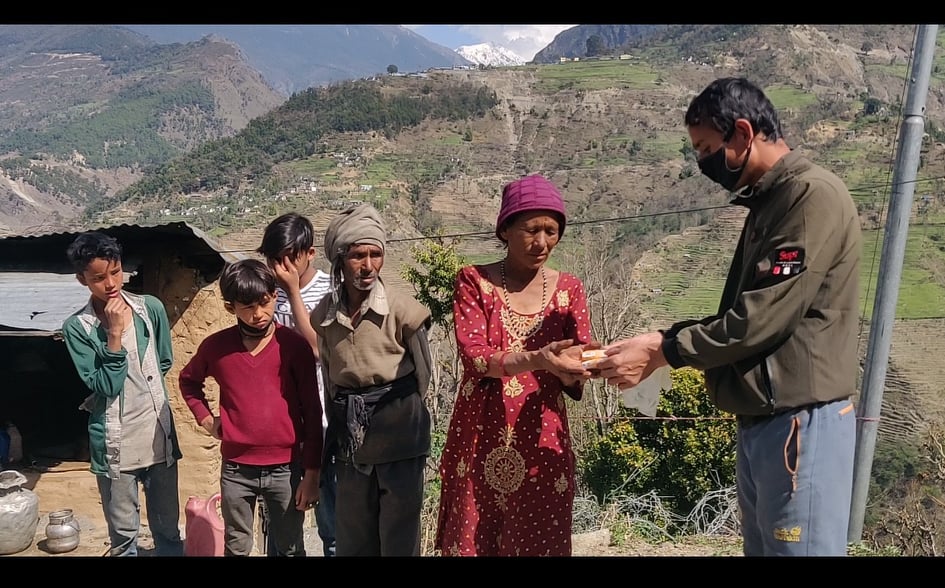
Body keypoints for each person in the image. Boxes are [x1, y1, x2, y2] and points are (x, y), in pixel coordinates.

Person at [594, 77, 862, 557]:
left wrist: (664, 348)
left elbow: (759, 320)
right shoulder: (770, 201)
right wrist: (665, 339)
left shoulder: (809, 197)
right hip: (766, 420)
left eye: (706, 148)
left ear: (742, 134)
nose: (702, 163)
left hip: (802, 421)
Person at [434, 174, 594, 557]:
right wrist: (537, 359)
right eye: (531, 230)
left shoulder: (569, 290)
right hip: (481, 436)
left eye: (552, 231)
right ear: (505, 229)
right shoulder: (474, 281)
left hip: (543, 437)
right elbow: (474, 356)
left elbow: (580, 357)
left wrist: (588, 364)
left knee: (541, 539)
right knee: (475, 537)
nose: (542, 243)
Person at [309, 203, 432, 557]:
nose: (367, 266)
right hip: (352, 443)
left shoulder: (403, 310)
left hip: (401, 439)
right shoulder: (325, 316)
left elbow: (423, 374)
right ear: (340, 260)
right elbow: (332, 379)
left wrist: (397, 410)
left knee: (399, 538)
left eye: (375, 255)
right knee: (354, 539)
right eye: (357, 255)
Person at [178, 259, 322, 557]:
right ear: (231, 308)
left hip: (286, 469)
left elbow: (312, 410)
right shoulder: (216, 348)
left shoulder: (293, 346)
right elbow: (189, 382)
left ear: (274, 296)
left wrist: (312, 473)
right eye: (247, 307)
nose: (258, 314)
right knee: (237, 547)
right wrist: (206, 419)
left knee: (291, 548)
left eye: (264, 302)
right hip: (236, 469)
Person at [62, 231, 184, 557]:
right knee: (124, 538)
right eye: (99, 278)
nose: (111, 283)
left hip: (158, 440)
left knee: (168, 532)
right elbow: (105, 385)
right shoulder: (78, 328)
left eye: (115, 272)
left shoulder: (150, 309)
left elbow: (163, 361)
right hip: (116, 448)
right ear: (82, 279)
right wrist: (114, 335)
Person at [257, 212, 336, 557]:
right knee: (283, 529)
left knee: (332, 525)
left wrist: (292, 291)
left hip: (324, 422)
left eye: (291, 257)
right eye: (275, 259)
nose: (282, 266)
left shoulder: (329, 290)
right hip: (282, 427)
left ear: (310, 253)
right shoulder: (265, 295)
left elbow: (318, 349)